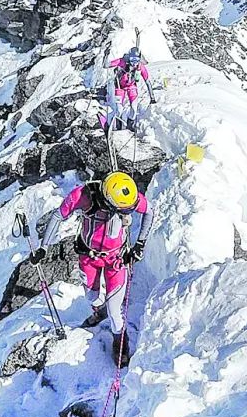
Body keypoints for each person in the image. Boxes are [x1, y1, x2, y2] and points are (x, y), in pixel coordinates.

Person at [31, 172, 152, 365]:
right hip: (89, 256)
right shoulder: (84, 196)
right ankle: (98, 310)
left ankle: (121, 342)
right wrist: (43, 248)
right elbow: (58, 215)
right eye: (121, 210)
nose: (126, 213)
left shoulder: (125, 196)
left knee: (115, 311)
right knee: (92, 297)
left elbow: (148, 211)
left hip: (116, 259)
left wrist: (139, 245)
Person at [106, 47, 155, 131]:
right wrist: (106, 55)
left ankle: (130, 125)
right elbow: (106, 65)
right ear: (129, 57)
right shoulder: (122, 61)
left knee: (134, 108)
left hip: (131, 86)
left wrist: (152, 97)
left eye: (136, 60)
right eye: (132, 59)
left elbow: (147, 81)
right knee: (119, 109)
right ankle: (118, 126)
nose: (134, 62)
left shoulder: (140, 66)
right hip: (119, 86)